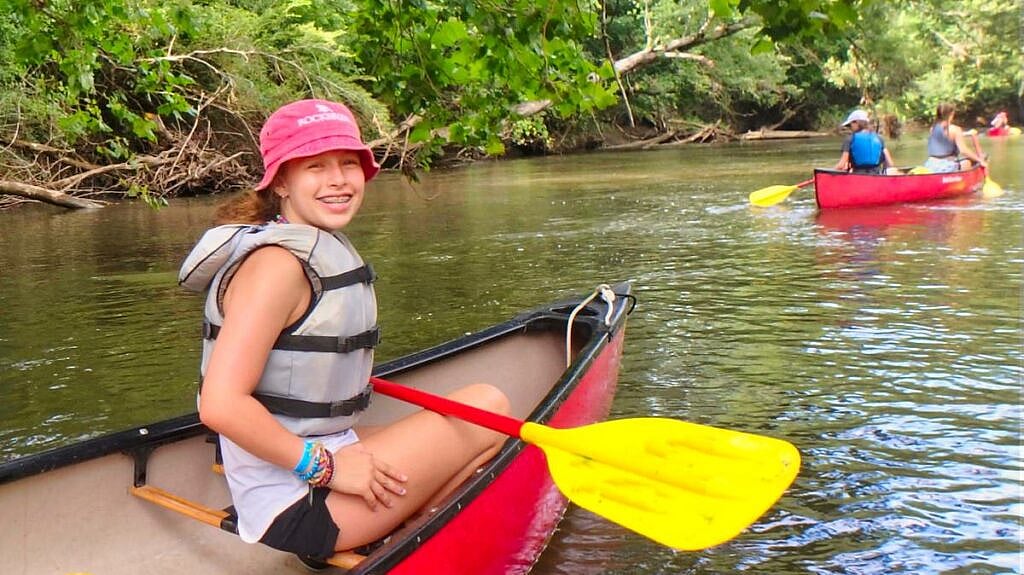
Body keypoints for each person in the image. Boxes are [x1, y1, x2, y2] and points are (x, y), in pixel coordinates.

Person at [178, 98, 511, 565]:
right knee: (488, 408)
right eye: (315, 166)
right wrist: (331, 470)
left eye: (349, 164)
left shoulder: (303, 243)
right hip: (300, 504)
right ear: (281, 182)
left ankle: (390, 531)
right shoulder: (276, 265)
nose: (337, 179)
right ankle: (401, 542)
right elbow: (220, 405)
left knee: (478, 415)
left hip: (316, 465)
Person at [924, 102, 987, 173]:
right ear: (951, 114)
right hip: (946, 167)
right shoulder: (956, 129)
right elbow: (964, 151)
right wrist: (979, 160)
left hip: (930, 165)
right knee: (969, 161)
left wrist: (965, 134)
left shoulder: (933, 128)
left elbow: (945, 137)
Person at [834, 109, 896, 174]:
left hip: (857, 176)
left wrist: (832, 171)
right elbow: (890, 164)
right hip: (877, 175)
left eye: (850, 125)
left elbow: (841, 165)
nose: (850, 128)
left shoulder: (850, 139)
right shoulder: (879, 138)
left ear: (856, 122)